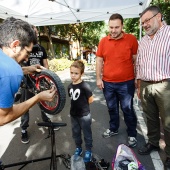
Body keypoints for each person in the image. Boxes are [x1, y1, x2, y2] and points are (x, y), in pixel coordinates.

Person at [0, 17, 55, 126]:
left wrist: (27, 69)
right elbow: (3, 117)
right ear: (15, 45)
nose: (26, 59)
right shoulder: (12, 70)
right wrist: (38, 97)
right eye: (27, 53)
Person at [96, 13, 138, 148]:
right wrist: (98, 78)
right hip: (108, 83)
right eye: (111, 27)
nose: (113, 31)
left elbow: (136, 60)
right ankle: (113, 129)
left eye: (116, 27)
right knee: (112, 108)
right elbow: (99, 60)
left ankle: (132, 133)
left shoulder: (131, 39)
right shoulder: (103, 41)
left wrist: (137, 79)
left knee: (127, 109)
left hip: (126, 83)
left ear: (122, 26)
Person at [136, 5, 170, 168]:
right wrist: (138, 84)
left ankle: (169, 154)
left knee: (168, 123)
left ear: (159, 17)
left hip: (166, 86)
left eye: (147, 21)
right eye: (142, 23)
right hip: (145, 85)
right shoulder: (143, 41)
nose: (145, 25)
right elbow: (139, 64)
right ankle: (153, 143)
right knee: (150, 118)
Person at [19, 26, 58, 144]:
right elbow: (18, 66)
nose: (34, 35)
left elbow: (46, 65)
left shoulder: (41, 49)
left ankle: (46, 121)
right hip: (26, 82)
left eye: (35, 33)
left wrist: (48, 78)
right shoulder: (23, 48)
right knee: (24, 106)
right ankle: (24, 129)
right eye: (32, 33)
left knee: (43, 102)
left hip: (40, 81)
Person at [68, 60, 94, 162]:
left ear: (81, 74)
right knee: (76, 133)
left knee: (87, 133)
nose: (73, 75)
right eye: (71, 73)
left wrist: (83, 106)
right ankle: (78, 147)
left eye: (76, 73)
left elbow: (91, 99)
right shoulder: (69, 86)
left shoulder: (85, 86)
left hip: (84, 115)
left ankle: (88, 150)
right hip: (73, 115)